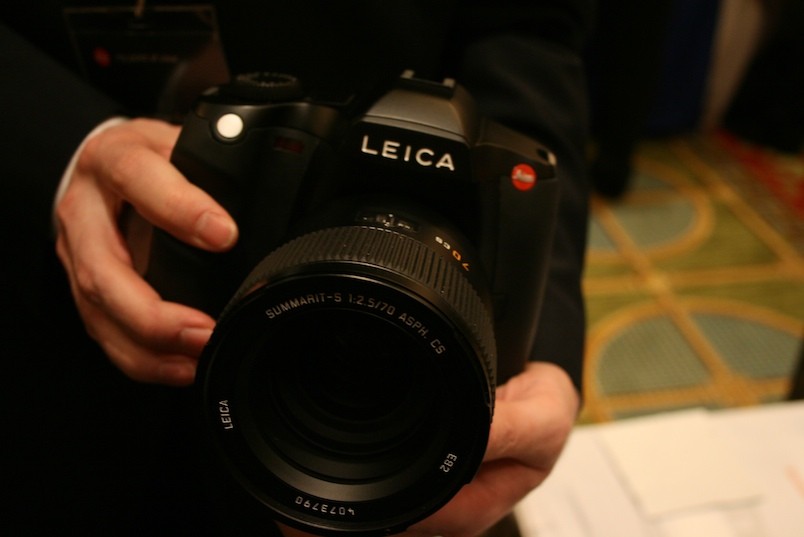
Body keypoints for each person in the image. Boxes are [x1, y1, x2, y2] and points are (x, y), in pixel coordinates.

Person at [0, 2, 592, 535]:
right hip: (60, 305)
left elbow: (530, 35)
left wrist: (546, 339)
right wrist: (67, 145)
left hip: (421, 397)